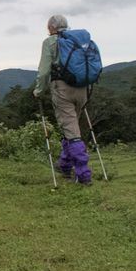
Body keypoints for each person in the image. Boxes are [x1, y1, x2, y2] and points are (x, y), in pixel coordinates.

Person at [34, 14, 93, 185]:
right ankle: (65, 165)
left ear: (51, 27)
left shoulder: (50, 42)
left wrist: (38, 90)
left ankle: (83, 174)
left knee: (71, 131)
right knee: (71, 127)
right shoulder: (79, 40)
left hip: (62, 89)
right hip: (82, 88)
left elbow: (44, 71)